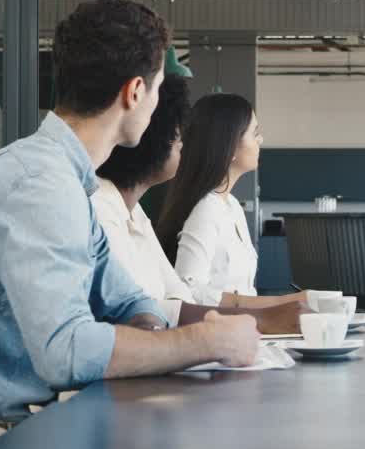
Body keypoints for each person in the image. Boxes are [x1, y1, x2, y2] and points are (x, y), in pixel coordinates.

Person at [0, 0, 261, 449]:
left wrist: (154, 331)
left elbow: (130, 300)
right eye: (155, 91)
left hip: (5, 442)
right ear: (134, 93)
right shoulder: (38, 184)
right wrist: (206, 342)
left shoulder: (64, 182)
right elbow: (65, 351)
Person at [94, 76, 305, 329]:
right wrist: (267, 314)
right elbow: (157, 306)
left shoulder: (136, 213)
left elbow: (178, 296)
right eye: (175, 135)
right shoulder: (102, 210)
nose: (183, 145)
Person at [157, 93, 276, 307]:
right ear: (230, 146)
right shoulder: (206, 210)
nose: (261, 140)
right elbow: (188, 288)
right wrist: (277, 304)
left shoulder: (231, 205)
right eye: (254, 133)